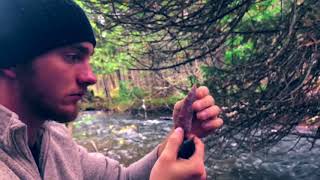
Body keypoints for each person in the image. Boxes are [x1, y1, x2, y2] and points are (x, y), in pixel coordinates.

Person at [0, 0, 223, 179]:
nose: (90, 77)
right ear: (11, 60)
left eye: (88, 59)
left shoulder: (53, 138)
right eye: (72, 57)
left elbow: (124, 177)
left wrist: (178, 138)